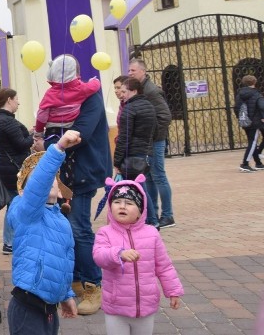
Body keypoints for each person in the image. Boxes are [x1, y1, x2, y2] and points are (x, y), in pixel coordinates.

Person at [45, 55, 111, 316]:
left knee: (79, 228)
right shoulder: (58, 98)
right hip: (63, 172)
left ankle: (94, 284)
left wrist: (51, 140)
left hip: (82, 171)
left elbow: (80, 133)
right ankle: (73, 280)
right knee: (64, 227)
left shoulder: (90, 98)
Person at [6, 132, 81, 335]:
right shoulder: (26, 212)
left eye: (54, 179)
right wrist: (58, 148)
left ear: (59, 190)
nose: (48, 180)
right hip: (27, 305)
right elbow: (38, 186)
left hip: (49, 308)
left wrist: (66, 295)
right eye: (37, 176)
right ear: (24, 190)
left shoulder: (61, 222)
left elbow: (63, 261)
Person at [93, 175, 184, 334]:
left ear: (141, 211)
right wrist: (118, 254)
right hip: (116, 306)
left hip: (146, 306)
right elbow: (99, 256)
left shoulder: (152, 234)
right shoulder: (105, 233)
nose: (122, 206)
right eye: (117, 202)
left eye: (129, 203)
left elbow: (164, 266)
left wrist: (173, 291)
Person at [127, 59, 174, 228]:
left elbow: (165, 116)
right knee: (148, 177)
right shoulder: (140, 90)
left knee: (159, 176)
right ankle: (152, 212)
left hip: (155, 140)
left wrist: (151, 135)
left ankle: (168, 215)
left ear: (143, 71)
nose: (130, 73)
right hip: (146, 141)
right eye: (129, 70)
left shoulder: (152, 91)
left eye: (133, 70)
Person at [0, 88, 33, 255]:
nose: (18, 102)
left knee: (13, 204)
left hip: (7, 168)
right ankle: (10, 241)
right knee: (15, 205)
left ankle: (10, 241)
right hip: (14, 169)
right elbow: (21, 144)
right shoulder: (6, 121)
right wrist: (33, 136)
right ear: (9, 100)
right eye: (16, 99)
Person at [34, 67, 101, 134]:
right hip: (70, 129)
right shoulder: (80, 89)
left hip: (52, 130)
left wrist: (39, 131)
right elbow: (94, 86)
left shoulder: (50, 93)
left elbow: (41, 115)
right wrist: (94, 80)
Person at [114, 77, 157, 182]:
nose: (121, 94)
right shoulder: (149, 105)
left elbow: (124, 138)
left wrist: (117, 162)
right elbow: (156, 130)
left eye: (124, 91)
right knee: (143, 188)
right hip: (148, 154)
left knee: (136, 191)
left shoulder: (128, 109)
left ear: (134, 91)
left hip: (133, 157)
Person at [234, 75, 264, 172]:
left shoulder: (240, 94)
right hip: (255, 121)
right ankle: (244, 164)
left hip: (244, 120)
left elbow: (236, 108)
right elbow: (263, 107)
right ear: (254, 82)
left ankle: (258, 163)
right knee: (253, 142)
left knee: (251, 142)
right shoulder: (256, 94)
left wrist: (240, 117)